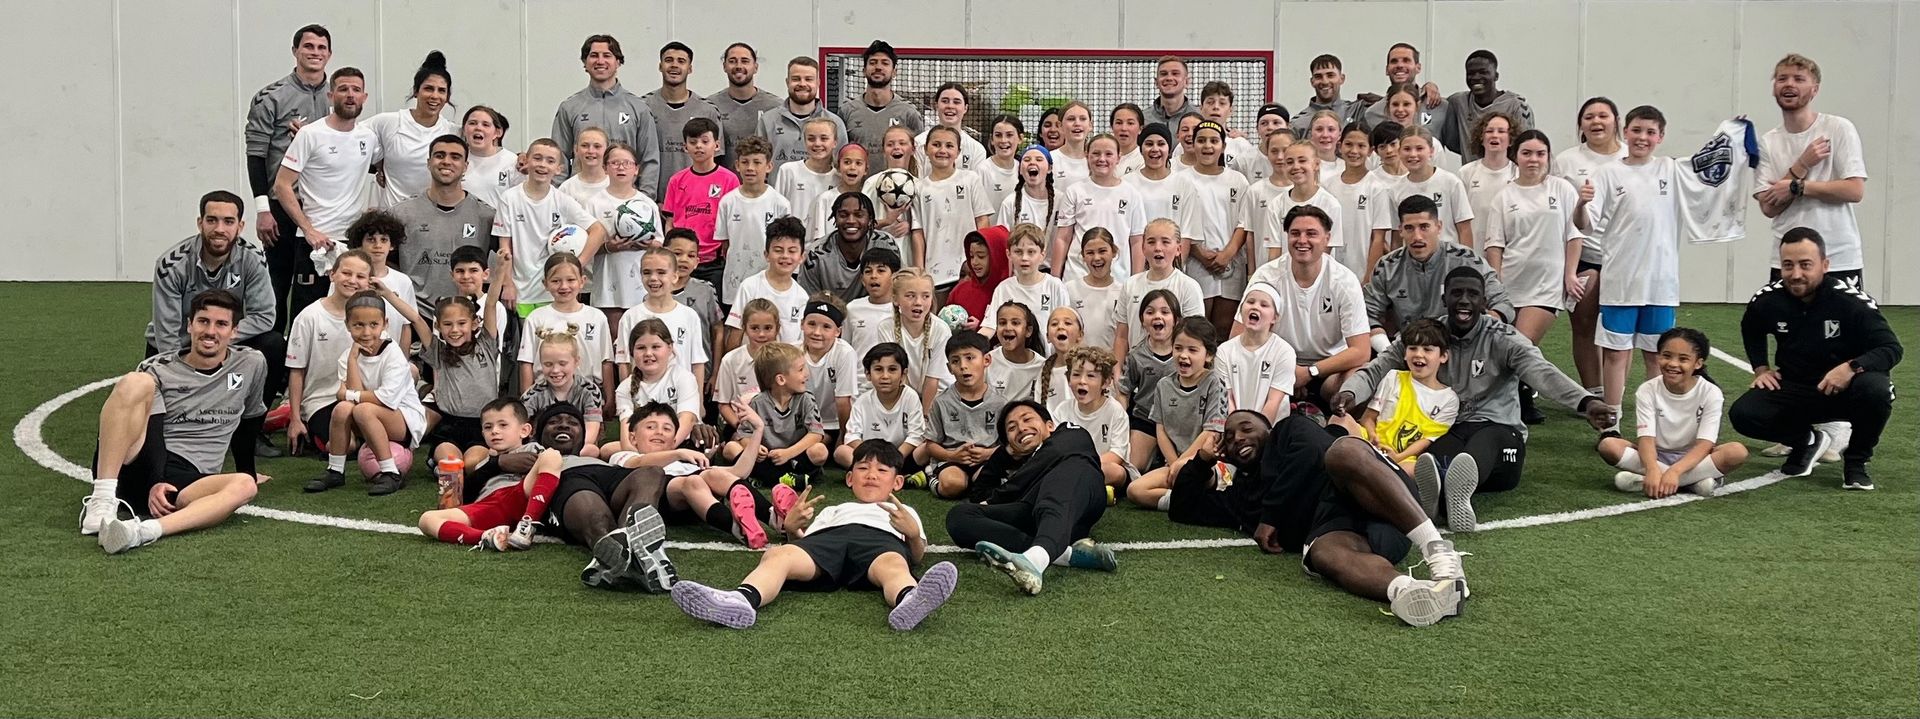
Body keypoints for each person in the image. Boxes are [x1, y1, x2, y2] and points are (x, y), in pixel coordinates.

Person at [1338, 267, 1614, 532]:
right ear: (1444, 298)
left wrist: (1586, 402)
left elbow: (1542, 373)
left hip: (1502, 437)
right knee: (1429, 461)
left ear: (1484, 301)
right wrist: (1351, 392)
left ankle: (1458, 489)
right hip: (1453, 430)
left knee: (1484, 441)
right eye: (1457, 294)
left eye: (1473, 295)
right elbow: (1379, 366)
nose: (1464, 301)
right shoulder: (1430, 335)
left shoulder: (1504, 338)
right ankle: (1440, 493)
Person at [673, 440, 959, 631]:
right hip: (828, 539)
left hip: (880, 542)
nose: (871, 475)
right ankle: (741, 600)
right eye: (862, 468)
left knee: (894, 565)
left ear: (897, 482)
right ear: (849, 479)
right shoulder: (834, 509)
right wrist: (793, 529)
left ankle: (910, 599)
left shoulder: (903, 509)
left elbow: (917, 555)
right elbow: (806, 551)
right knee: (779, 554)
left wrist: (910, 534)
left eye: (881, 470)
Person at [80, 290, 268, 554]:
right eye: (203, 321)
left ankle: (140, 533)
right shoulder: (157, 367)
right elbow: (153, 428)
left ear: (234, 331)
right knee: (135, 382)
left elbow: (250, 419)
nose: (210, 331)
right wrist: (155, 479)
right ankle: (102, 499)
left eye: (221, 324)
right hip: (143, 463)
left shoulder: (251, 363)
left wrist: (248, 470)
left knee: (244, 485)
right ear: (190, 325)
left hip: (189, 478)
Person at [1752, 54, 1871, 464]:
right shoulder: (1769, 141)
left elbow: (1854, 189)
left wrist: (1798, 186)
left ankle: (1839, 429)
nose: (1789, 84)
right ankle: (1797, 428)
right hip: (1786, 257)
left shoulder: (1837, 129)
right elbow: (1768, 206)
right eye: (1782, 77)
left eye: (1799, 78)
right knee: (1792, 341)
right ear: (1773, 86)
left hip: (1837, 254)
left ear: (1814, 88)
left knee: (1841, 340)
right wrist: (1800, 170)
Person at [1255, 410, 1471, 627]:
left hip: (1380, 492)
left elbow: (1313, 449)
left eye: (1246, 428)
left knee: (1342, 452)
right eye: (1228, 437)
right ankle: (1413, 590)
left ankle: (1441, 554)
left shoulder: (1289, 428)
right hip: (1343, 527)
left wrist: (1270, 515)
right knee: (1321, 552)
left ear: (1268, 429)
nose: (1237, 438)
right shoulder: (1244, 491)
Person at [1731, 229, 1900, 491]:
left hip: (1846, 390)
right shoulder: (1768, 299)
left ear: (1825, 265)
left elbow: (1890, 348)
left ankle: (1856, 463)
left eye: (1805, 265)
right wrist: (1760, 367)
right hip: (1797, 387)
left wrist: (1850, 368)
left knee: (1877, 390)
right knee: (1744, 413)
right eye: (1788, 265)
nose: (1796, 274)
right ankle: (1807, 441)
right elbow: (1751, 327)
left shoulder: (1851, 302)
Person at [145, 191, 286, 458]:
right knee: (154, 387)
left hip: (228, 339)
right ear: (200, 223)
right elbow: (167, 334)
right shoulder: (171, 264)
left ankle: (251, 432)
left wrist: (218, 337)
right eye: (212, 220)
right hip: (179, 342)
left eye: (228, 221)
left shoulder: (253, 259)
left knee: (273, 344)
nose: (219, 229)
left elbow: (265, 316)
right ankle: (184, 428)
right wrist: (196, 350)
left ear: (240, 226)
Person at [949, 400, 1119, 596]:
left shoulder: (1071, 433)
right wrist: (1003, 453)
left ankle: (1035, 561)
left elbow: (1054, 452)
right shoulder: (1020, 463)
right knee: (959, 516)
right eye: (1011, 428)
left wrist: (1000, 495)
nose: (1021, 428)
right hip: (1033, 510)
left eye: (1027, 419)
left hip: (1076, 500)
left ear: (1049, 425)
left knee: (1064, 474)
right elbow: (980, 494)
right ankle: (1067, 555)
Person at [1484, 129, 1585, 425]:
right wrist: (1496, 286)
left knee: (1523, 341)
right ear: (1515, 156)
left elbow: (1573, 236)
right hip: (1512, 284)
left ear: (1548, 157)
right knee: (1506, 346)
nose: (1533, 159)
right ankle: (1518, 396)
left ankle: (1528, 395)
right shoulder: (1504, 196)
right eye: (1527, 153)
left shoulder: (1562, 190)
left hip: (1546, 287)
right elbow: (1495, 245)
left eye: (1540, 153)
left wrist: (1569, 274)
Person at [524, 401, 678, 592]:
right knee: (596, 517)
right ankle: (621, 554)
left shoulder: (598, 456)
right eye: (554, 422)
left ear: (583, 436)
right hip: (566, 478)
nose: (563, 425)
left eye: (572, 422)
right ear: (539, 435)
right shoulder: (529, 455)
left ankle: (629, 550)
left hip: (607, 473)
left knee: (651, 473)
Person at [246, 24, 332, 335]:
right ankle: (272, 359)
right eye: (309, 46)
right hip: (282, 204)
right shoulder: (271, 97)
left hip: (323, 208)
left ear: (330, 54)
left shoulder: (339, 97)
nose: (315, 53)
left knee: (318, 288)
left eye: (321, 48)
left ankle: (309, 358)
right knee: (278, 285)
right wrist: (262, 209)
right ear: (295, 51)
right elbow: (256, 156)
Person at [272, 66, 378, 317]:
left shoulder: (368, 137)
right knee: (308, 313)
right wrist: (309, 230)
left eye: (356, 90)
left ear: (364, 97)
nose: (350, 95)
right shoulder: (310, 134)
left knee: (353, 315)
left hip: (352, 242)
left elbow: (379, 166)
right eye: (343, 89)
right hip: (315, 242)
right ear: (330, 96)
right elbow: (282, 184)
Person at [1598, 328, 1748, 498]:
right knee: (1608, 445)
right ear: (1658, 356)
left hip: (1694, 459)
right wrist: (1652, 468)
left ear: (1697, 363)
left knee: (1736, 451)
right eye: (1667, 356)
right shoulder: (1647, 390)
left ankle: (1655, 481)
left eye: (1683, 359)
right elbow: (1646, 439)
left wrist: (1675, 472)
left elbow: (1705, 444)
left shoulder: (1710, 392)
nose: (1673, 364)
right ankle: (1692, 483)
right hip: (1656, 456)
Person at [284, 251, 405, 462]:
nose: (352, 281)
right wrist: (295, 419)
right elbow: (297, 370)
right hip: (321, 401)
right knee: (346, 446)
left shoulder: (373, 318)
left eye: (360, 276)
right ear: (332, 274)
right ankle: (307, 429)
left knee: (388, 435)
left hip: (363, 398)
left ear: (369, 282)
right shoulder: (309, 317)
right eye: (346, 273)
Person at [1250, 206, 1371, 409]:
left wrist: (1309, 373)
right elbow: (1238, 338)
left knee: (1358, 377)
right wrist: (1286, 369)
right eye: (1295, 233)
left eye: (1311, 234)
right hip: (1277, 366)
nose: (1302, 240)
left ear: (1327, 238)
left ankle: (1339, 429)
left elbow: (1361, 350)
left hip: (1330, 369)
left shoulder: (1344, 280)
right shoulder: (1266, 276)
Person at [1365, 195, 1511, 343]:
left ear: (1438, 227)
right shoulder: (1387, 267)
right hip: (1409, 348)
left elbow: (1503, 304)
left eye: (1424, 227)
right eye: (1409, 228)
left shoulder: (1467, 260)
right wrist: (1386, 348)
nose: (1417, 237)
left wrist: (1482, 326)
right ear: (1400, 230)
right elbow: (1367, 314)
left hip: (1458, 345)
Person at [1555, 97, 1625, 396]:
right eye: (1589, 117)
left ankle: (1614, 392)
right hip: (1583, 254)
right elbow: (1558, 207)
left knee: (1618, 328)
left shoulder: (1628, 156)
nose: (1596, 122)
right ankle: (1593, 391)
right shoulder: (1567, 160)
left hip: (1623, 255)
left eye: (1603, 116)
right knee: (1584, 323)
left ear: (1616, 121)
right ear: (1581, 124)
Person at [493, 138, 605, 315]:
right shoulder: (509, 198)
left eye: (550, 161)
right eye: (537, 158)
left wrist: (579, 263)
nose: (543, 165)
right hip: (521, 293)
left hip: (555, 293)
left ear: (558, 169)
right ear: (526, 161)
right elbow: (504, 247)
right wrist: (507, 283)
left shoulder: (562, 201)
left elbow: (598, 230)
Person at [416, 399, 546, 550]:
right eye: (488, 427)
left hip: (519, 499)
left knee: (551, 457)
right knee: (426, 520)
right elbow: (469, 497)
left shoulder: (534, 450)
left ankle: (529, 521)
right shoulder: (484, 462)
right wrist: (495, 464)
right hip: (489, 506)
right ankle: (487, 536)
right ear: (482, 433)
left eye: (503, 425)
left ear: (524, 430)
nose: (495, 431)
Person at [1128, 317, 1230, 508]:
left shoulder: (1215, 383)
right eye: (1178, 348)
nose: (1183, 355)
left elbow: (1211, 432)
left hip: (1205, 464)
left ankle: (1188, 497)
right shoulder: (1163, 385)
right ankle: (1186, 501)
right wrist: (1174, 463)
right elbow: (1161, 429)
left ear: (1208, 355)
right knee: (1134, 490)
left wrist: (1184, 464)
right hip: (1174, 464)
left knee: (1197, 477)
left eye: (1192, 350)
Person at [390, 134, 495, 317]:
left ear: (466, 166)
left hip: (467, 317)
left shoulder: (486, 216)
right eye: (440, 155)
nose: (446, 161)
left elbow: (506, 261)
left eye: (455, 157)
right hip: (415, 314)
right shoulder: (400, 214)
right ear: (429, 162)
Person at [1352, 319, 1458, 482]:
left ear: (1443, 356)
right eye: (1412, 348)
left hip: (1404, 458)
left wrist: (1398, 457)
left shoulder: (1449, 399)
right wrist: (1373, 437)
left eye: (1427, 349)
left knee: (1417, 470)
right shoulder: (1393, 377)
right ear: (1404, 353)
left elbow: (1426, 441)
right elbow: (1368, 418)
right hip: (1371, 444)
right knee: (1341, 419)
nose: (1418, 354)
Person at [554, 34, 662, 195]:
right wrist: (557, 198)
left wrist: (643, 199)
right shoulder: (569, 107)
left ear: (618, 62)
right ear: (584, 63)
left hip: (624, 199)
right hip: (580, 200)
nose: (600, 61)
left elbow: (649, 159)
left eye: (607, 55)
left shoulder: (639, 108)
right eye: (594, 56)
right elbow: (559, 157)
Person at [1176, 121, 1253, 335]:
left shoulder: (1237, 180)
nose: (1207, 146)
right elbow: (1179, 224)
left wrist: (1227, 254)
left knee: (1224, 331)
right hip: (1196, 262)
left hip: (1231, 262)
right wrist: (1199, 253)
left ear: (1224, 147)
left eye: (1213, 141)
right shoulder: (1181, 180)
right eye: (1201, 140)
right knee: (1196, 329)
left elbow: (1244, 222)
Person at [719, 342, 829, 488]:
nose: (806, 374)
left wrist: (788, 453)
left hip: (794, 457)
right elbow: (743, 435)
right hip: (767, 459)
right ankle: (789, 480)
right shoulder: (758, 402)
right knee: (731, 448)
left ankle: (764, 478)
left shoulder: (806, 399)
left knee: (820, 451)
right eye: (801, 370)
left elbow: (816, 434)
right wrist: (754, 447)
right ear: (781, 379)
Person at [915, 331, 1003, 498]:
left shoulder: (1000, 402)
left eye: (970, 358)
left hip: (985, 459)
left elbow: (1006, 444)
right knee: (952, 486)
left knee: (986, 483)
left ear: (986, 360)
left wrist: (987, 454)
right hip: (951, 459)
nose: (963, 366)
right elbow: (931, 444)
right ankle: (931, 476)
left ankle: (973, 483)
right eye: (956, 361)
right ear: (949, 368)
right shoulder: (941, 402)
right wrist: (952, 455)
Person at [364, 52, 457, 209]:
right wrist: (378, 163)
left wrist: (515, 159)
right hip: (392, 221)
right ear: (416, 91)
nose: (435, 96)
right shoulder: (389, 122)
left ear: (447, 96)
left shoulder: (454, 133)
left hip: (434, 221)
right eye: (428, 89)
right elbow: (349, 136)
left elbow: (490, 151)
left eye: (441, 90)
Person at [661, 117, 741, 290]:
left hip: (714, 262)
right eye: (693, 142)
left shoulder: (730, 179)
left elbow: (733, 222)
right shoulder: (676, 180)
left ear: (717, 145)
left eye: (705, 141)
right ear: (685, 147)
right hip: (681, 261)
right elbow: (670, 221)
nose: (699, 146)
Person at [912, 125, 996, 285]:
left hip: (968, 273)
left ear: (958, 152)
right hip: (935, 277)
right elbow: (918, 233)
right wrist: (920, 272)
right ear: (925, 149)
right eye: (936, 145)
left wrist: (979, 261)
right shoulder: (919, 188)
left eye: (949, 146)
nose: (942, 150)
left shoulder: (970, 179)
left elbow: (982, 222)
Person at [1055, 134, 1147, 278]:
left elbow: (1136, 242)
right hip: (1077, 275)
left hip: (1118, 278)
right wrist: (1055, 278)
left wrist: (1136, 281)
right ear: (1087, 156)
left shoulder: (1132, 194)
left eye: (1108, 154)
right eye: (1096, 153)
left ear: (1118, 158)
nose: (1102, 159)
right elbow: (1063, 238)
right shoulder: (1075, 191)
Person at [715, 137, 792, 305]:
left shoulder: (781, 204)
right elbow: (725, 244)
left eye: (757, 162)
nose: (750, 168)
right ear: (737, 165)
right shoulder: (727, 202)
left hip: (769, 281)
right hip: (735, 283)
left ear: (769, 166)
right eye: (745, 162)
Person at [835, 343, 929, 471]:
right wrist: (873, 458)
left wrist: (895, 458)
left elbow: (916, 435)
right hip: (870, 458)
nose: (885, 376)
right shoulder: (862, 401)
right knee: (841, 452)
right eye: (878, 369)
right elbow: (852, 436)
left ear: (903, 374)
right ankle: (879, 471)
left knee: (925, 449)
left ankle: (895, 472)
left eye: (892, 369)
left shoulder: (910, 397)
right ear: (868, 374)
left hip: (902, 456)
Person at [645, 41, 727, 182]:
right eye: (668, 60)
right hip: (651, 198)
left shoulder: (707, 110)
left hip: (695, 198)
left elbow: (716, 162)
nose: (674, 65)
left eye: (681, 61)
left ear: (689, 68)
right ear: (660, 66)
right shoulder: (643, 107)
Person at [724, 217, 810, 350]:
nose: (785, 256)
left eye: (792, 251)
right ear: (766, 254)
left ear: (801, 257)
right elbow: (736, 333)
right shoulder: (750, 287)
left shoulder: (802, 297)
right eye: (778, 250)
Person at [1435, 50, 1533, 164]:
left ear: (1496, 76)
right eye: (1471, 73)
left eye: (1483, 72)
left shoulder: (1516, 106)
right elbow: (1453, 142)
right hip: (1472, 178)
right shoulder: (1458, 102)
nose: (1476, 77)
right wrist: (1429, 87)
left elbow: (1526, 146)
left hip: (1507, 177)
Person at [1216, 283, 1296, 421]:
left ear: (1274, 318)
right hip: (1234, 428)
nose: (1255, 306)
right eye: (1250, 302)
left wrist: (1256, 435)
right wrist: (1236, 431)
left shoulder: (1284, 351)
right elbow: (1227, 399)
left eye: (1264, 305)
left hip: (1271, 430)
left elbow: (1273, 402)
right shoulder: (1224, 351)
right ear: (1241, 311)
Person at [800, 192, 902, 301]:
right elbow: (808, 303)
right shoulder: (816, 255)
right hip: (829, 315)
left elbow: (898, 288)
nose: (851, 221)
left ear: (870, 220)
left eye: (859, 215)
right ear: (835, 218)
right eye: (843, 215)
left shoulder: (886, 244)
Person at [879, 269, 953, 413]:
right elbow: (897, 375)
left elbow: (933, 380)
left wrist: (925, 417)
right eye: (910, 296)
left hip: (939, 395)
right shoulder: (885, 327)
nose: (918, 302)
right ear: (895, 299)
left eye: (926, 296)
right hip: (903, 393)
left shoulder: (940, 329)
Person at [757, 56, 848, 171]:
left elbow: (842, 166)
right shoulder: (768, 121)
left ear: (818, 83)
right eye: (796, 79)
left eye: (808, 79)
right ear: (787, 82)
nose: (802, 84)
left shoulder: (835, 123)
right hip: (778, 189)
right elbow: (758, 165)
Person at [1327, 122, 1393, 279]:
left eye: (1361, 146)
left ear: (1370, 151)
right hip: (1331, 270)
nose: (1354, 151)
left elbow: (1378, 238)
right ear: (1340, 146)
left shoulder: (1377, 188)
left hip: (1361, 271)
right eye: (1349, 144)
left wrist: (1368, 277)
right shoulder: (1328, 185)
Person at [842, 41, 925, 157]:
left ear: (894, 72)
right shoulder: (846, 111)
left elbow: (920, 156)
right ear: (864, 71)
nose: (878, 67)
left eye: (885, 63)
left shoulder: (909, 113)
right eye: (873, 62)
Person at [708, 43, 780, 169]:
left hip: (762, 186)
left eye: (745, 61)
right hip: (724, 185)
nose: (739, 66)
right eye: (732, 61)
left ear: (756, 67)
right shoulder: (710, 106)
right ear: (724, 66)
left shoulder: (775, 107)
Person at [1457, 112, 1518, 245]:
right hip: (1475, 248)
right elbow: (1459, 218)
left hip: (1510, 250)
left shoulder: (1518, 173)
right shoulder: (1466, 173)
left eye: (1501, 131)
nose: (1495, 135)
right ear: (1481, 137)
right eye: (1489, 131)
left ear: (1511, 139)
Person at [774, 118, 840, 239]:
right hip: (793, 245)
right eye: (811, 139)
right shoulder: (788, 171)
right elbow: (778, 212)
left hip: (827, 246)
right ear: (804, 141)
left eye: (824, 138)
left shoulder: (839, 178)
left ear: (835, 142)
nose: (817, 144)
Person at [1359, 43, 1444, 130]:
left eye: (1406, 60)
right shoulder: (1373, 114)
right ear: (1387, 70)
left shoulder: (1440, 106)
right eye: (1394, 61)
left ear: (1418, 68)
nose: (1400, 65)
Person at [914, 83, 988, 173]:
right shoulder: (918, 143)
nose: (950, 106)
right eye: (945, 101)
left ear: (965, 108)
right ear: (936, 105)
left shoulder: (977, 150)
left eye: (956, 102)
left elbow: (977, 185)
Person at [461, 105, 523, 210]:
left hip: (498, 224)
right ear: (463, 130)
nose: (478, 128)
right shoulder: (456, 159)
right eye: (472, 123)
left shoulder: (512, 161)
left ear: (497, 133)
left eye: (486, 125)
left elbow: (520, 203)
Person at [1291, 54, 1367, 136]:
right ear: (1312, 82)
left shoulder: (1358, 111)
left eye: (1330, 75)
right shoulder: (1298, 123)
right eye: (1318, 76)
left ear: (1342, 79)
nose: (1325, 81)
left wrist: (1379, 100)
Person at [1145, 55, 1196, 127]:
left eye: (1175, 73)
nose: (1169, 78)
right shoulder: (1143, 119)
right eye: (1163, 74)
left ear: (1186, 82)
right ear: (1156, 82)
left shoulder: (1199, 118)